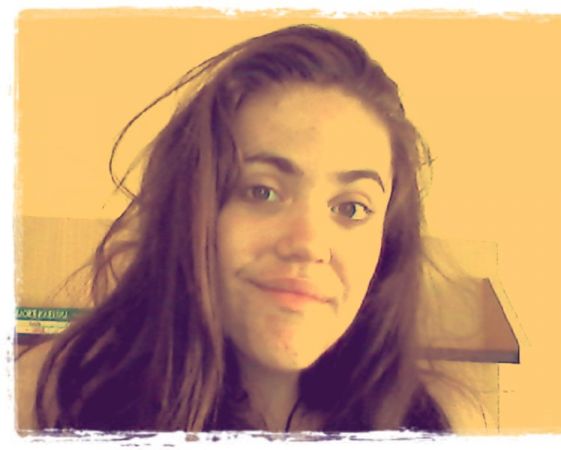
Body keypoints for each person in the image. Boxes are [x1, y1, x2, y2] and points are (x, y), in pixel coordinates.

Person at [16, 24, 477, 433]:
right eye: (263, 192)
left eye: (352, 208)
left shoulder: (442, 425)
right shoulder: (48, 400)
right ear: (192, 209)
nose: (308, 244)